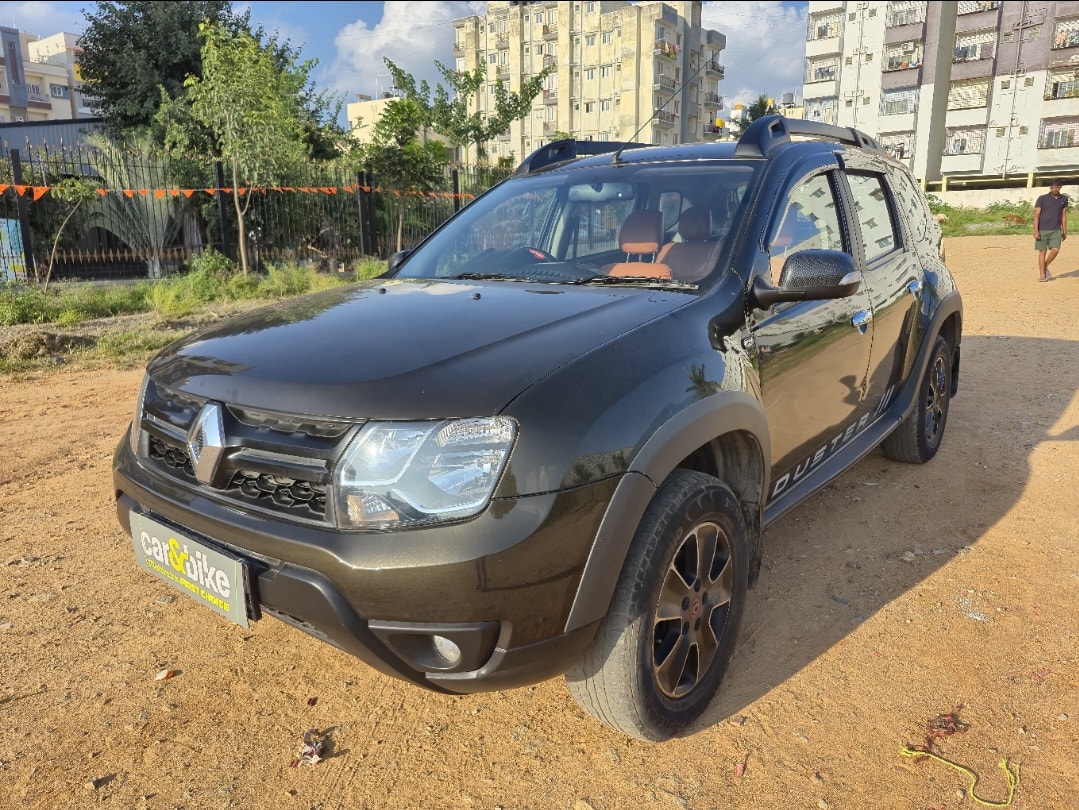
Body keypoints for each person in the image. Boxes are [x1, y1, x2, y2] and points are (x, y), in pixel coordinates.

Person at [1034, 179, 1069, 282]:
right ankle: (1042, 275)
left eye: (1057, 187)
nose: (1055, 189)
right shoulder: (1042, 198)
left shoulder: (1064, 199)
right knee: (1042, 252)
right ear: (1050, 188)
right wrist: (1036, 230)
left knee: (1055, 250)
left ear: (1060, 187)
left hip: (1056, 229)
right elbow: (1036, 215)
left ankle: (1044, 267)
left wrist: (1065, 231)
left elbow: (1063, 215)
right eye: (1053, 187)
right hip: (1042, 229)